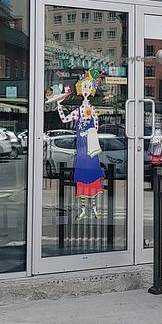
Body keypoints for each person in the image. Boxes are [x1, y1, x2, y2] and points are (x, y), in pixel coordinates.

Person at [57, 70, 103, 220]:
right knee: (83, 178)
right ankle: (83, 209)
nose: (86, 90)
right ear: (79, 89)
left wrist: (89, 132)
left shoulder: (92, 110)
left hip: (90, 148)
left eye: (88, 87)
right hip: (82, 150)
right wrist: (59, 105)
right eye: (84, 87)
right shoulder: (78, 111)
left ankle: (94, 208)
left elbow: (96, 126)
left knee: (93, 178)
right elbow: (64, 119)